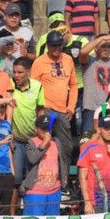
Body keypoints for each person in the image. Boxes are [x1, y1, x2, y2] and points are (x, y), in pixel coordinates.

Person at [31, 31, 77, 188]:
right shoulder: (39, 62)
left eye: (59, 45)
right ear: (48, 46)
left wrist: (71, 106)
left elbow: (74, 85)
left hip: (62, 111)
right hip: (46, 109)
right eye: (53, 46)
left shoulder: (69, 59)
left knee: (66, 146)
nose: (56, 48)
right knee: (44, 143)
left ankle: (64, 183)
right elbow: (34, 88)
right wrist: (39, 112)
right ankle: (39, 180)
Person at [11, 56, 45, 209]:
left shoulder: (37, 86)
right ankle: (13, 211)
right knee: (16, 177)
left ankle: (29, 207)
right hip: (17, 140)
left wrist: (41, 134)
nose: (16, 76)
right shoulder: (9, 85)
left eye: (20, 72)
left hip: (32, 140)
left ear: (28, 72)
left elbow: (40, 110)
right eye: (14, 72)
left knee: (31, 176)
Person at [77, 114, 110, 214]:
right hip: (95, 201)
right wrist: (87, 202)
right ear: (99, 130)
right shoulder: (88, 148)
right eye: (106, 128)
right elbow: (82, 177)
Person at [79, 34, 110, 133]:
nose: (106, 49)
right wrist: (102, 38)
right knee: (89, 139)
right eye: (103, 46)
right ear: (95, 47)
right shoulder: (90, 61)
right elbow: (82, 52)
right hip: (91, 108)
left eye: (109, 46)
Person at [23, 115, 61, 216]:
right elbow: (32, 159)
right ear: (36, 128)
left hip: (54, 190)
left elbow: (62, 162)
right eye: (43, 129)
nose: (46, 131)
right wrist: (44, 143)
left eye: (49, 128)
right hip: (35, 191)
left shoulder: (56, 142)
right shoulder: (31, 142)